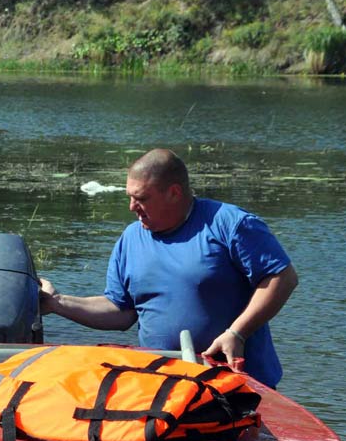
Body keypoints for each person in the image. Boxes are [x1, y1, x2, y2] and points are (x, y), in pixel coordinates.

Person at [39, 148, 298, 388]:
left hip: (235, 383)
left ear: (174, 193)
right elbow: (120, 310)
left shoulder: (229, 224)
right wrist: (56, 303)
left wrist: (236, 333)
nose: (131, 207)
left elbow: (282, 278)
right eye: (129, 197)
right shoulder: (131, 239)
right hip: (162, 385)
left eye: (141, 198)